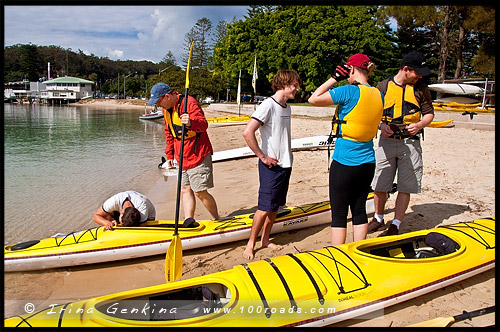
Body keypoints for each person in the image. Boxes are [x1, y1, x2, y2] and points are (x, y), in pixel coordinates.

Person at [308, 54, 384, 246]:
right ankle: (359, 252)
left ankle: (340, 256)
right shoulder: (378, 94)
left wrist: (334, 78)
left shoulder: (348, 91)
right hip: (368, 162)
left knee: (340, 214)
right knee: (359, 210)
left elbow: (313, 99)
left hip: (344, 162)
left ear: (350, 69)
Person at [368, 51, 435, 236]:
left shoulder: (421, 89)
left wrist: (420, 124)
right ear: (406, 69)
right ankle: (378, 218)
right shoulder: (382, 86)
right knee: (380, 183)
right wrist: (381, 125)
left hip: (411, 143)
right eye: (417, 72)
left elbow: (429, 113)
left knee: (406, 185)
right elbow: (371, 113)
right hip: (387, 142)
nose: (420, 76)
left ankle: (396, 224)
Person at [242, 69, 302, 259]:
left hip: (286, 163)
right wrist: (263, 156)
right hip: (271, 166)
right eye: (295, 85)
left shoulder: (287, 107)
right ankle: (250, 244)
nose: (297, 89)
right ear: (284, 84)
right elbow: (247, 132)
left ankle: (265, 240)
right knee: (263, 207)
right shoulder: (268, 105)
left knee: (275, 207)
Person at [147, 83, 219, 221]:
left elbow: (203, 124)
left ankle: (216, 219)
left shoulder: (189, 103)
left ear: (167, 96)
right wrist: (169, 155)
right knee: (185, 188)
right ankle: (189, 220)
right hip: (181, 156)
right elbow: (169, 133)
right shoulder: (166, 110)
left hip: (198, 153)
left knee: (200, 191)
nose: (159, 106)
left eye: (159, 102)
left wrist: (191, 122)